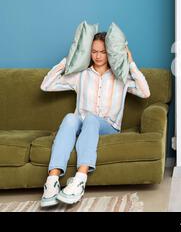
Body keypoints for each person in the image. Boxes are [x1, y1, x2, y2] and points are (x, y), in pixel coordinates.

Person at [40, 32, 150, 207]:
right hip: (82, 125)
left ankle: (80, 179)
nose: (98, 56)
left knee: (91, 118)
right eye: (94, 51)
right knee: (70, 118)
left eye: (103, 52)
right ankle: (52, 182)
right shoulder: (81, 74)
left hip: (108, 127)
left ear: (111, 53)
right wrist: (68, 60)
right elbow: (46, 85)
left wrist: (130, 63)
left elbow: (145, 92)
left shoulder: (121, 76)